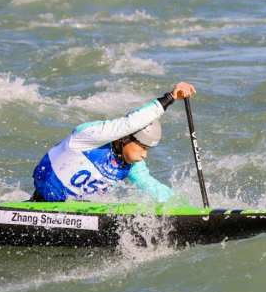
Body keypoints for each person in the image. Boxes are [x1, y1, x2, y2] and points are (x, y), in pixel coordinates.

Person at [31, 82, 197, 203]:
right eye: (142, 147)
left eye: (148, 149)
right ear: (125, 137)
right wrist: (170, 97)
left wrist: (182, 207)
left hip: (73, 209)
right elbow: (129, 123)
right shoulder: (89, 137)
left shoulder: (131, 163)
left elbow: (152, 186)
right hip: (41, 203)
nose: (144, 155)